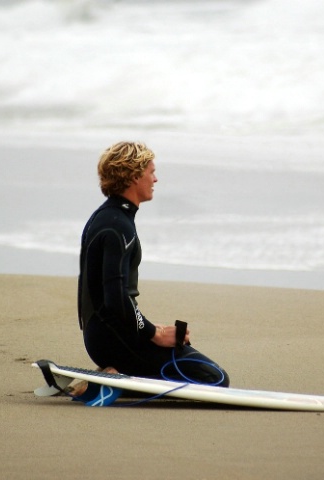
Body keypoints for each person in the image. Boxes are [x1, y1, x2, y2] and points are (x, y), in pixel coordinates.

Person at [77, 141, 229, 387]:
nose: (155, 179)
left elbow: (114, 301)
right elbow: (116, 298)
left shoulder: (107, 217)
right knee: (215, 378)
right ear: (135, 176)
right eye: (151, 172)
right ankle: (112, 380)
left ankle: (115, 373)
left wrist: (148, 327)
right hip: (114, 341)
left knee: (199, 367)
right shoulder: (117, 226)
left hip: (107, 336)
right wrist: (153, 333)